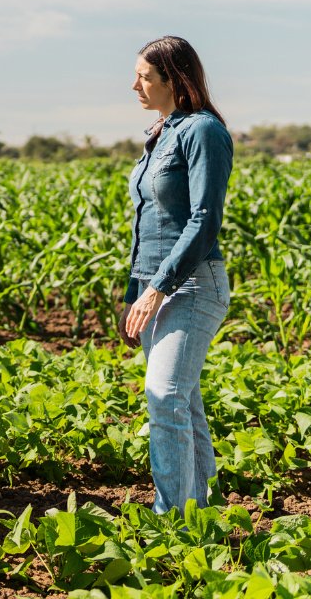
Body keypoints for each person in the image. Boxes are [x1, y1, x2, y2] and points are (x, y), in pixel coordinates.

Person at [121, 35, 232, 515]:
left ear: (174, 78)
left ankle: (171, 517)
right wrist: (135, 292)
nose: (135, 85)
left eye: (145, 76)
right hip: (153, 284)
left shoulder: (203, 132)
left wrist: (157, 289)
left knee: (164, 394)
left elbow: (204, 220)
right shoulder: (160, 132)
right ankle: (199, 514)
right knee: (183, 403)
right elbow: (145, 222)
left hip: (192, 284)